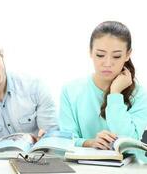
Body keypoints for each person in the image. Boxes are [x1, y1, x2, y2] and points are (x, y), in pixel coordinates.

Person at [59, 21, 147, 150]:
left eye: (116, 56)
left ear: (128, 55)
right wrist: (90, 143)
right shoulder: (70, 90)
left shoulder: (140, 95)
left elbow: (131, 142)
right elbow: (65, 139)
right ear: (90, 52)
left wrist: (115, 93)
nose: (107, 63)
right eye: (100, 55)